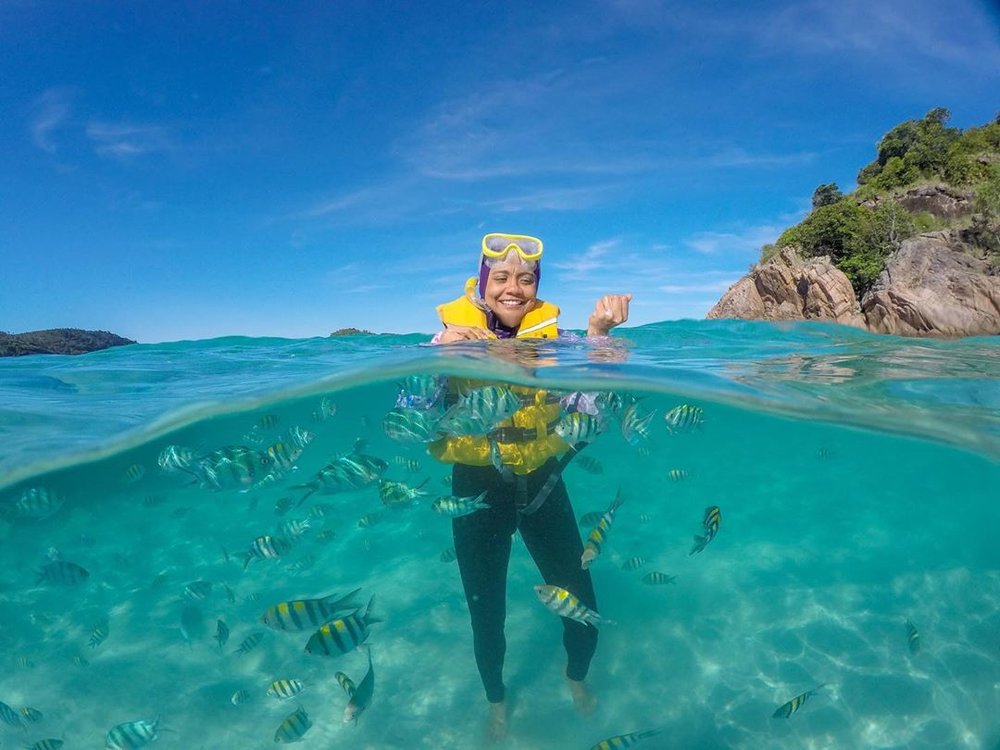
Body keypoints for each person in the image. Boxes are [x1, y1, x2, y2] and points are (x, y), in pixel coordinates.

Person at [428, 233, 631, 742]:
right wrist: (439, 361)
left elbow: (590, 410)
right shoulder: (447, 339)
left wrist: (600, 336)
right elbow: (411, 415)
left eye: (526, 279)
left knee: (583, 606)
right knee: (486, 615)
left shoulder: (559, 343)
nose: (513, 288)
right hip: (476, 490)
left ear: (537, 287)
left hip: (543, 485)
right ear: (482, 283)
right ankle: (497, 700)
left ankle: (576, 677)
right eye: (501, 277)